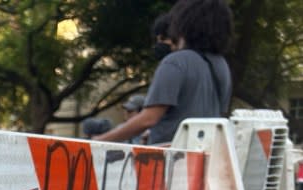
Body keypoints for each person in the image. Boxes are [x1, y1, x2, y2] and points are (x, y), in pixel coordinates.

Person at [94, 0, 232, 146]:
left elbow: (148, 118)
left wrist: (100, 140)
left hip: (169, 159)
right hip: (206, 157)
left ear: (184, 24)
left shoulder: (175, 62)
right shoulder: (221, 65)